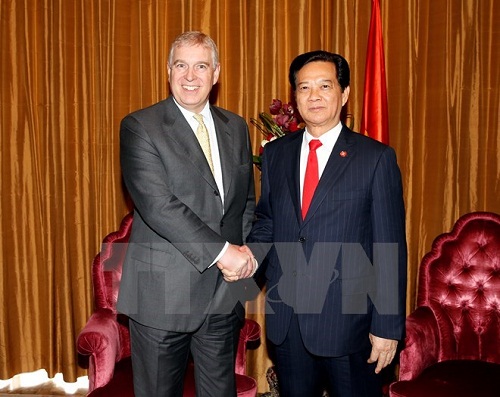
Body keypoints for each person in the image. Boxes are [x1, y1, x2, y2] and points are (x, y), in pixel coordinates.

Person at [248, 51, 407, 396]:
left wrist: (388, 327)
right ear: (295, 96)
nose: (314, 96)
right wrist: (247, 257)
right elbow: (267, 221)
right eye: (304, 87)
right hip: (288, 321)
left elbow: (389, 246)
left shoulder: (375, 158)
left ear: (344, 93)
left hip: (350, 325)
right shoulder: (276, 154)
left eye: (324, 86)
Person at [117, 31, 256, 397]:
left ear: (216, 73)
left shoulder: (236, 127)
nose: (190, 76)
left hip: (224, 294)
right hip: (163, 296)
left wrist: (243, 261)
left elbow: (244, 203)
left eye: (201, 66)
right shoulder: (140, 126)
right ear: (168, 71)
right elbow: (159, 205)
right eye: (181, 65)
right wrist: (225, 253)